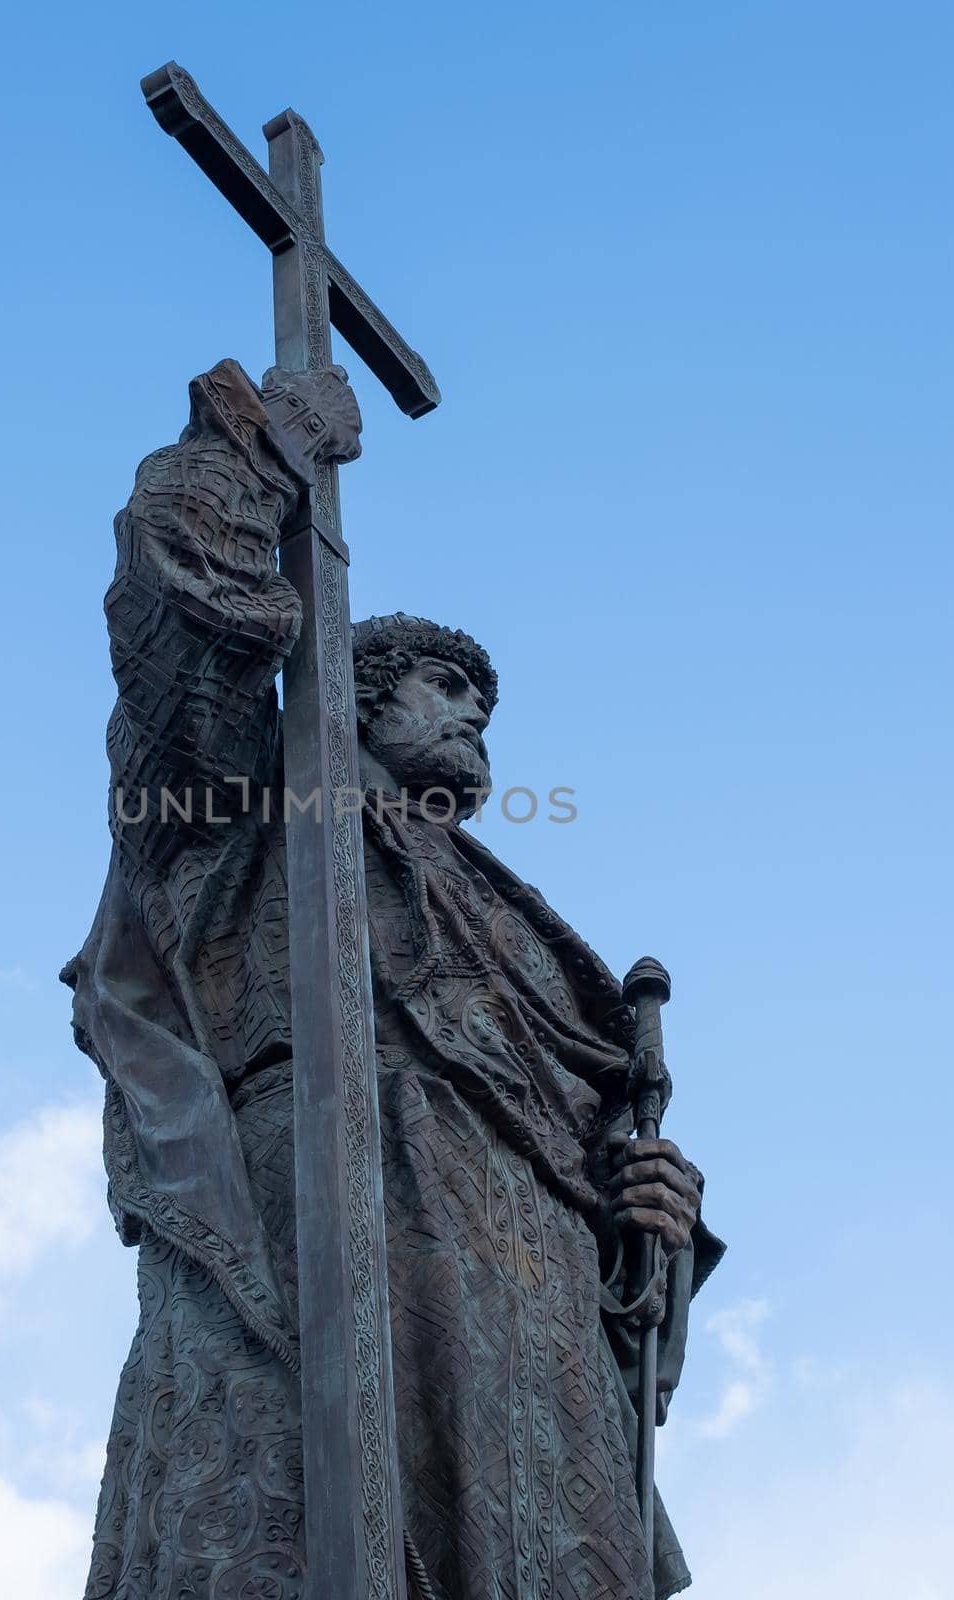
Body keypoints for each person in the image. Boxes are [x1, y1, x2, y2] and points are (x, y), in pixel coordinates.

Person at [63, 359, 723, 1600]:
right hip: (303, 1221)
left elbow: (614, 1240)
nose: (477, 716)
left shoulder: (535, 940)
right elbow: (177, 643)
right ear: (358, 695)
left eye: (485, 701)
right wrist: (261, 452)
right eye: (446, 687)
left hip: (520, 1316)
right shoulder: (244, 810)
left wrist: (648, 1221)